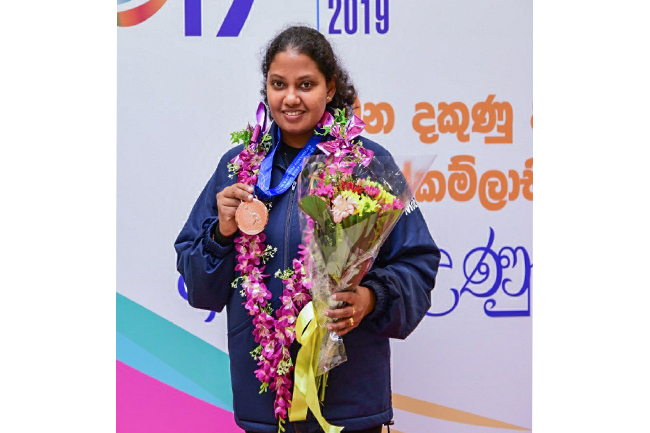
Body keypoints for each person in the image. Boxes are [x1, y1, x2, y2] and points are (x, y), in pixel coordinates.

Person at [174, 26, 440, 433]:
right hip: (265, 408)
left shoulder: (367, 164)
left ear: (330, 89)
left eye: (306, 84)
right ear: (266, 89)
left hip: (349, 409)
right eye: (278, 84)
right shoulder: (237, 168)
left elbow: (417, 265)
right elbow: (199, 286)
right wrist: (221, 233)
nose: (291, 98)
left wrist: (370, 298)